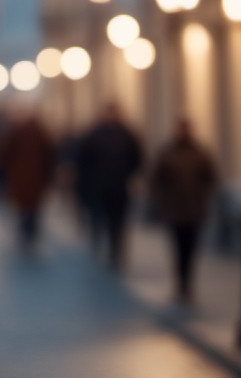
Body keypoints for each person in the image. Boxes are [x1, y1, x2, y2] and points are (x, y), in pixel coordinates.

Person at [149, 117, 217, 302]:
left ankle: (188, 282)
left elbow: (211, 178)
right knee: (178, 248)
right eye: (181, 128)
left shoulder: (200, 152)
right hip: (174, 210)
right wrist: (161, 202)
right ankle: (181, 283)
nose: (183, 132)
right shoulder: (168, 152)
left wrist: (205, 198)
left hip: (194, 209)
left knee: (191, 248)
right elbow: (156, 179)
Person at [76, 102, 144, 271]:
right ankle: (101, 242)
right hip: (100, 186)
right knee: (101, 217)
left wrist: (134, 177)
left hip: (120, 186)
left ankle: (116, 251)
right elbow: (84, 161)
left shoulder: (127, 134)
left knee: (118, 221)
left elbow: (137, 158)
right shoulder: (96, 134)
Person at [0, 109, 56, 246]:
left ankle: (26, 229)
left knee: (23, 206)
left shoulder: (15, 132)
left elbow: (2, 155)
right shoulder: (41, 132)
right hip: (37, 179)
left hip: (19, 177)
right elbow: (51, 156)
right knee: (34, 206)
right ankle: (31, 229)